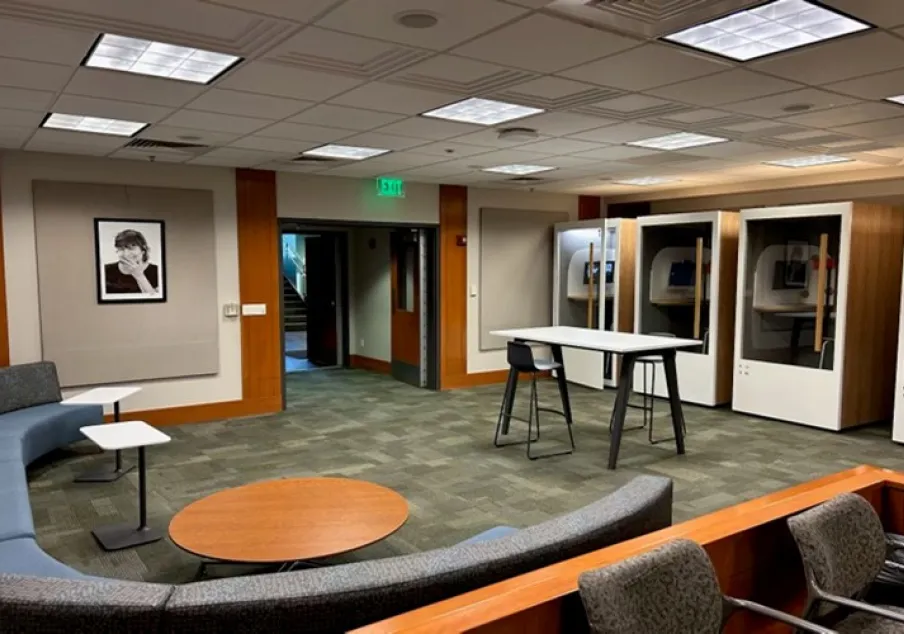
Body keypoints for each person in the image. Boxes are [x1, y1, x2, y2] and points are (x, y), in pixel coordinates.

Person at [104, 229, 160, 295]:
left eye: (131, 248)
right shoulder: (105, 270)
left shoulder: (157, 271)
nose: (126, 254)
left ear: (143, 249)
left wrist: (139, 275)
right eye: (121, 249)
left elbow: (154, 300)